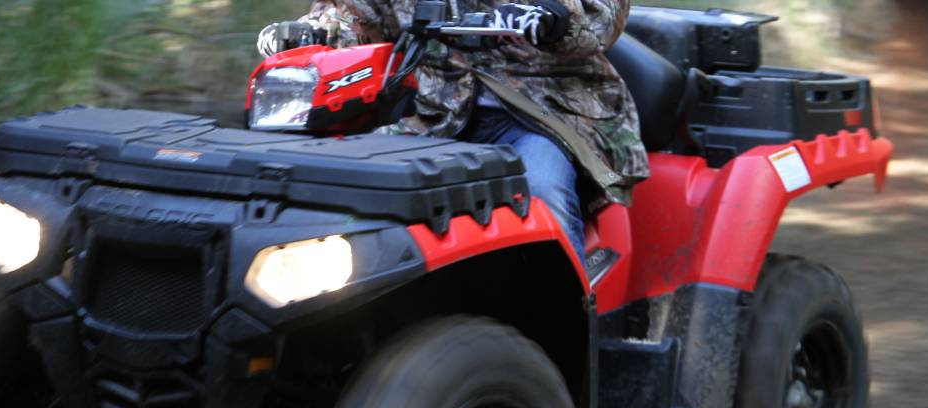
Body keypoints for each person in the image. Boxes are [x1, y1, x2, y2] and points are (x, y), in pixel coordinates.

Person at [258, 1, 648, 260]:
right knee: (348, 182)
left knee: (541, 188)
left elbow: (601, 17)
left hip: (546, 110)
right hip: (428, 112)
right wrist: (309, 33)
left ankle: (558, 338)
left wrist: (552, 16)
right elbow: (355, 14)